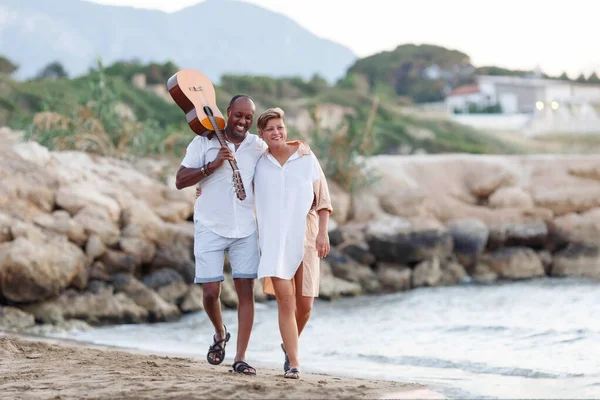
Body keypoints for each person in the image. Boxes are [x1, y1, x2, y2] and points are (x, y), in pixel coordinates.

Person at [175, 94, 267, 376]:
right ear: (228, 113)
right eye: (239, 115)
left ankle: (240, 358)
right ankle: (219, 333)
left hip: (245, 231)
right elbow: (179, 180)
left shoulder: (257, 146)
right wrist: (210, 166)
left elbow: (278, 165)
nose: (243, 122)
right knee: (210, 292)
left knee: (245, 295)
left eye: (248, 117)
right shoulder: (203, 141)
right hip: (209, 226)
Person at [254, 107, 333, 379]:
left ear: (285, 129)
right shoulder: (259, 163)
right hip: (274, 242)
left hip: (307, 237)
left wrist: (323, 233)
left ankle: (289, 345)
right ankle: (294, 362)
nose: (276, 132)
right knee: (286, 305)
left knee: (306, 305)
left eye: (280, 127)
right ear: (261, 134)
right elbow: (236, 183)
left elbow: (323, 199)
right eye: (270, 129)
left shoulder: (306, 157)